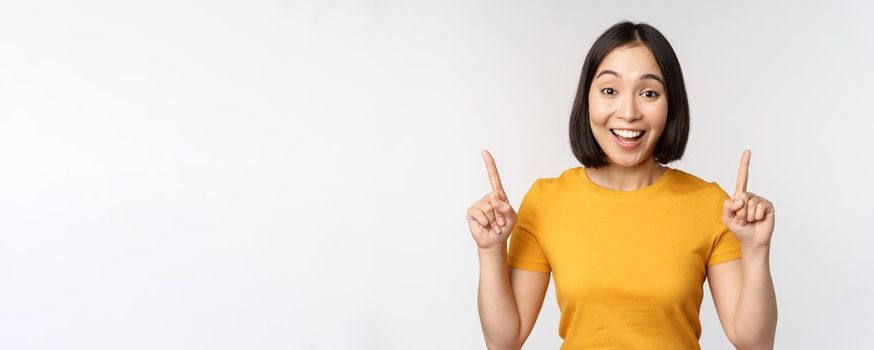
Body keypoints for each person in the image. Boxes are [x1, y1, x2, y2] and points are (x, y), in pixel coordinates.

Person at [467, 21, 777, 349]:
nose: (628, 112)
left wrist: (756, 250)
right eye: (610, 90)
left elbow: (753, 343)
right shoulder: (547, 201)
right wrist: (490, 250)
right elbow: (504, 341)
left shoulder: (710, 204)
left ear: (671, 104)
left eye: (649, 93)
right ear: (587, 98)